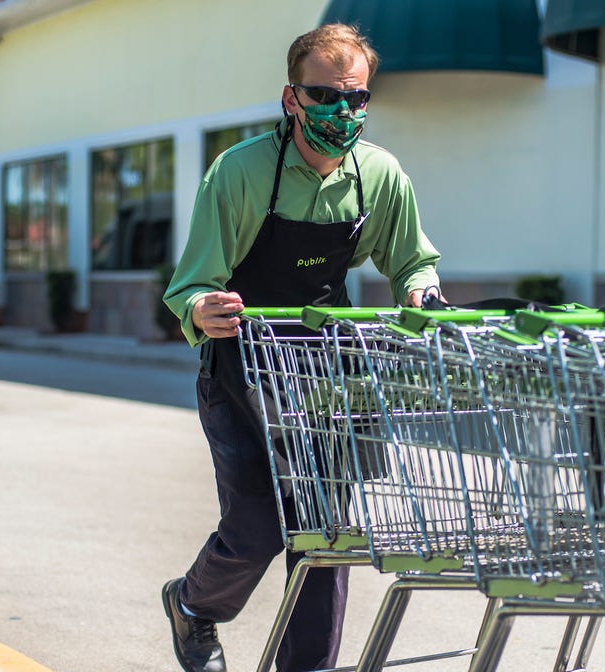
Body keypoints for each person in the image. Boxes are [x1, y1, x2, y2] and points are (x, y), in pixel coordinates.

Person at [160, 23, 443, 672]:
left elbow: (413, 265)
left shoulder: (380, 175)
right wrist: (203, 308)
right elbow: (193, 283)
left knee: (324, 536)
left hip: (325, 378)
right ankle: (194, 607)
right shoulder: (239, 172)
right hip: (241, 371)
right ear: (292, 99)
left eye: (357, 99)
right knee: (256, 530)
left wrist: (422, 295)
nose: (343, 112)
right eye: (326, 97)